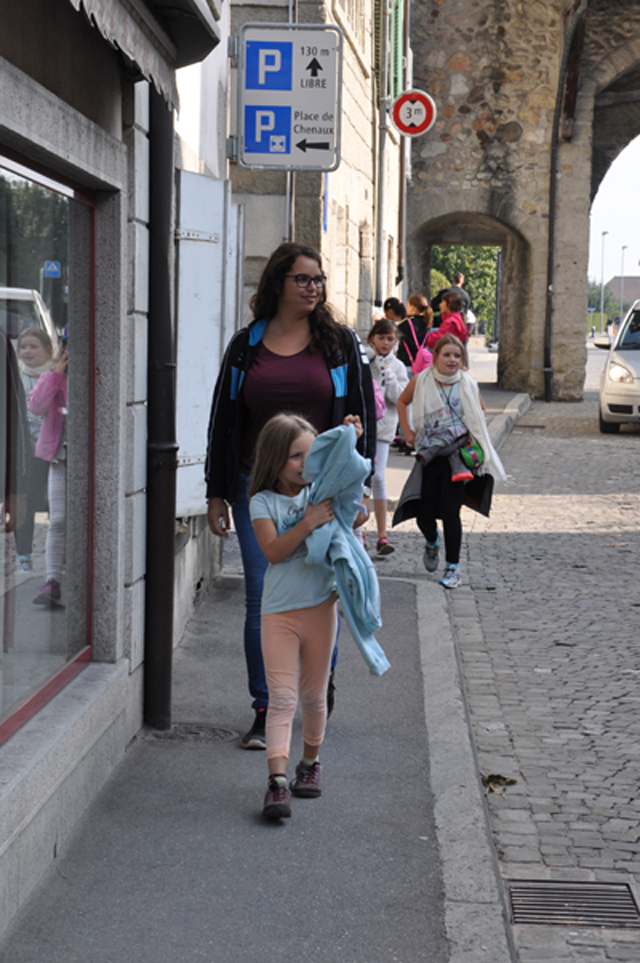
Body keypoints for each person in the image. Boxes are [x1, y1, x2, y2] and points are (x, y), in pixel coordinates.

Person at [205, 242, 376, 750]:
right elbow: (224, 420)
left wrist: (360, 489)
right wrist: (216, 492)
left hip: (323, 492)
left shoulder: (339, 344)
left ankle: (318, 688)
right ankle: (266, 706)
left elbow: (362, 416)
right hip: (256, 487)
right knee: (263, 596)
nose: (313, 288)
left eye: (318, 279)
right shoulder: (246, 345)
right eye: (302, 279)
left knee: (323, 592)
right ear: (278, 282)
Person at [249, 414, 338, 819]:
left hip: (321, 607)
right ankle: (277, 783)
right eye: (295, 456)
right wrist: (308, 522)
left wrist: (350, 435)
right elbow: (273, 551)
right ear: (274, 459)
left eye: (311, 455)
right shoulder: (262, 501)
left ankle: (310, 764)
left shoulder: (322, 490)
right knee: (282, 699)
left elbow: (352, 496)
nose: (305, 464)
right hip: (279, 613)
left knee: (315, 697)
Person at [394, 334, 506, 589]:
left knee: (450, 512)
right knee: (424, 515)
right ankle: (432, 541)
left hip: (456, 455)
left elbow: (480, 410)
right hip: (429, 454)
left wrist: (473, 431)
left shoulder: (467, 383)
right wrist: (407, 431)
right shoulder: (421, 380)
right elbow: (402, 401)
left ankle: (453, 567)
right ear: (435, 357)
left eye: (457, 355)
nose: (452, 359)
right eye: (446, 354)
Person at [27, 328, 68, 607]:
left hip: (90, 459)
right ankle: (52, 580)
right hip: (60, 458)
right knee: (58, 520)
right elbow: (36, 406)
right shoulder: (52, 378)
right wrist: (56, 374)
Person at [365, 317, 409, 555]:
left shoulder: (398, 367)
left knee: (378, 477)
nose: (384, 343)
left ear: (395, 341)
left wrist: (390, 379)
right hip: (362, 427)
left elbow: (401, 398)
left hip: (383, 429)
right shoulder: (364, 359)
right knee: (360, 476)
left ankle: (382, 534)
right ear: (372, 338)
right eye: (380, 337)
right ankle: (359, 530)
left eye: (389, 338)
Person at [14, 326, 55, 573]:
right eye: (23, 347)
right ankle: (24, 557)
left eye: (33, 346)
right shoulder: (16, 376)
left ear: (47, 349)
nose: (27, 351)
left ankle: (57, 558)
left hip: (52, 451)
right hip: (26, 453)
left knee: (54, 506)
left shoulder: (56, 374)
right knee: (25, 503)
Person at [396, 295, 433, 374]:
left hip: (406, 362)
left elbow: (393, 330)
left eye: (408, 306)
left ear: (413, 308)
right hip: (421, 364)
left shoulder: (406, 322)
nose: (406, 309)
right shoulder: (427, 322)